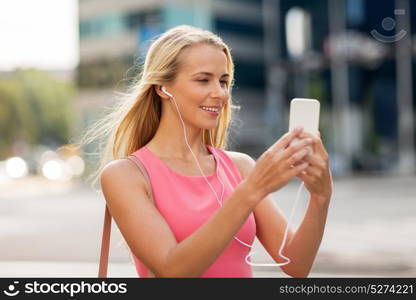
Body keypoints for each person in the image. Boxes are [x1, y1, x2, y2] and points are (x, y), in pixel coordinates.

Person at [86, 25, 332, 278]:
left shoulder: (240, 167)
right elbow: (172, 270)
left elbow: (297, 265)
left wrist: (321, 197)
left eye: (224, 81)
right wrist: (251, 190)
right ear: (162, 88)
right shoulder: (126, 175)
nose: (220, 93)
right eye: (203, 80)